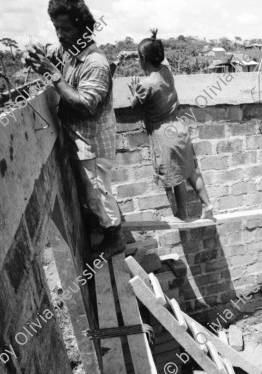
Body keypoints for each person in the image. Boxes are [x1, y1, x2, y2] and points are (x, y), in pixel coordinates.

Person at [24, 0, 125, 256]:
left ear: (82, 28)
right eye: (56, 28)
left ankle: (114, 238)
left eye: (65, 29)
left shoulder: (95, 63)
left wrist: (53, 75)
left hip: (93, 143)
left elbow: (85, 105)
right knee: (93, 192)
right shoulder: (68, 51)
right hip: (81, 142)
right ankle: (103, 227)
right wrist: (31, 52)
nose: (60, 35)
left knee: (99, 194)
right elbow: (46, 52)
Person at [128, 29, 213, 221]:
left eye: (139, 57)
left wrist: (134, 91)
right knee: (189, 171)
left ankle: (182, 212)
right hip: (179, 128)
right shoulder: (166, 71)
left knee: (175, 177)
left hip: (164, 135)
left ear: (143, 59)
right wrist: (142, 52)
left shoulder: (145, 84)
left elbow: (134, 106)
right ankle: (207, 205)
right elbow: (160, 59)